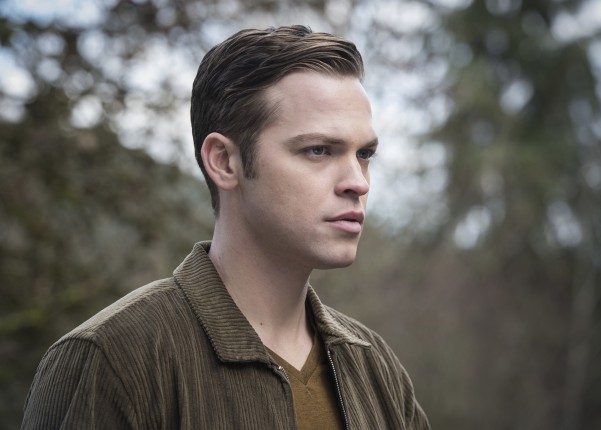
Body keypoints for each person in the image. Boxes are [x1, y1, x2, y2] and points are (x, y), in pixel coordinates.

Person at [22, 25, 430, 429]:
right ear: (224, 161)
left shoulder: (376, 369)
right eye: (318, 150)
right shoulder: (112, 360)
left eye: (364, 154)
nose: (358, 182)